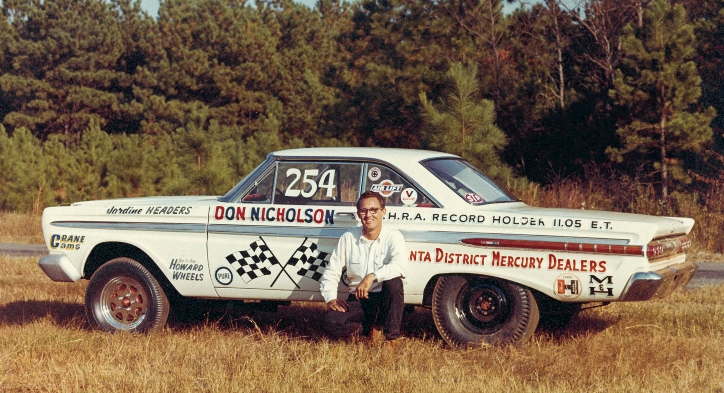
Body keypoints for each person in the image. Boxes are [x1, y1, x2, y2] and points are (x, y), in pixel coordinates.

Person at [319, 191, 408, 346]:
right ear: (359, 214)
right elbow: (332, 270)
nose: (369, 215)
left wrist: (372, 276)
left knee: (394, 283)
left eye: (374, 210)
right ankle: (368, 328)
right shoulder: (348, 237)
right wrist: (331, 297)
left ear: (383, 212)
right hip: (359, 299)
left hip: (385, 298)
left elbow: (400, 266)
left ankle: (391, 339)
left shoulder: (394, 236)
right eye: (364, 211)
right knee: (332, 322)